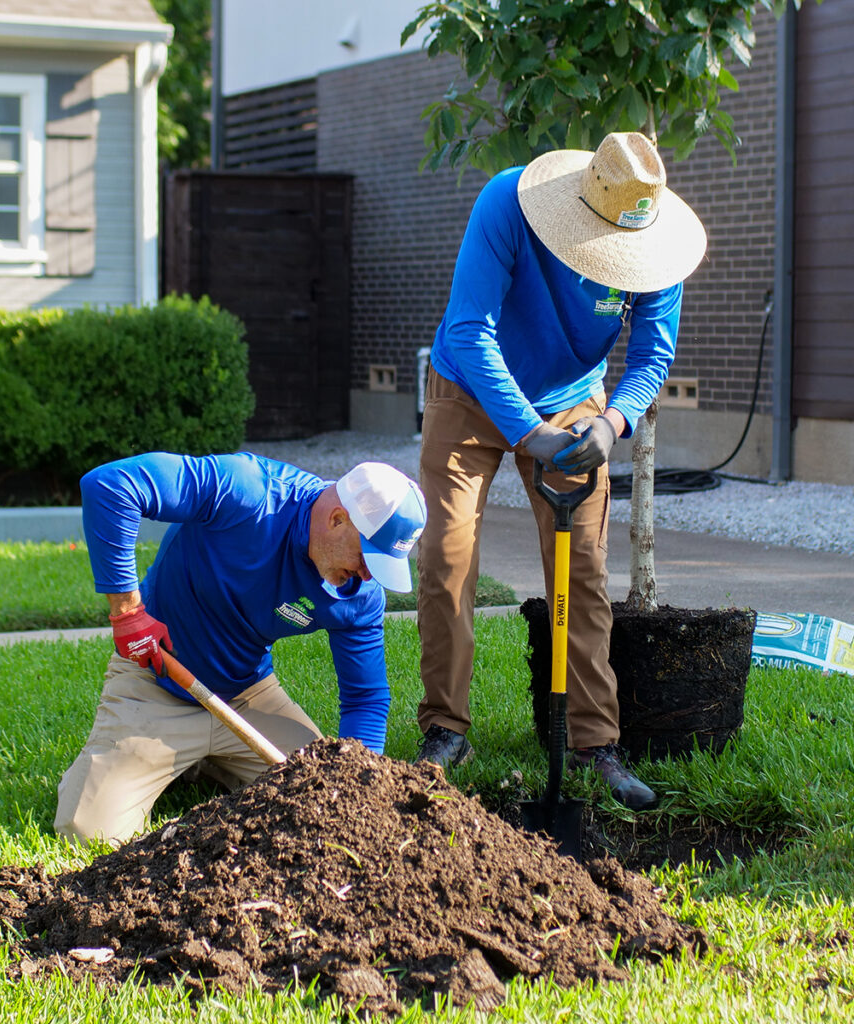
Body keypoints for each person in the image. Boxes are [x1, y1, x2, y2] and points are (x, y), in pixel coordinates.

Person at [414, 132, 707, 811]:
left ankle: (594, 743)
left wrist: (612, 424)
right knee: (447, 555)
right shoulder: (508, 205)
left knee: (582, 571)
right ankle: (446, 731)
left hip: (575, 399)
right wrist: (529, 433)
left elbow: (652, 357)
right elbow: (468, 331)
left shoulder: (657, 251)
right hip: (468, 391)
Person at [56, 452, 426, 845]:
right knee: (87, 831)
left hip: (247, 697)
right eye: (367, 557)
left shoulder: (360, 595)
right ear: (338, 520)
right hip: (158, 681)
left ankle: (199, 763)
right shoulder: (247, 491)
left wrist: (359, 788)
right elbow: (111, 485)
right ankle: (167, 760)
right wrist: (127, 613)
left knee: (324, 800)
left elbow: (365, 698)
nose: (368, 575)